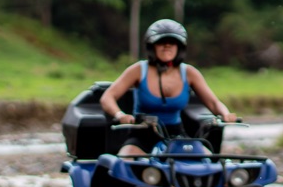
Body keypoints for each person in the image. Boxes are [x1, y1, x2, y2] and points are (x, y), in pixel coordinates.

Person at [98, 19, 236, 155]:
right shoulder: (138, 70)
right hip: (142, 134)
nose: (167, 46)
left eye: (172, 43)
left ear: (179, 47)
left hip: (176, 135)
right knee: (125, 161)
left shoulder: (190, 73)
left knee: (207, 160)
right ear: (152, 46)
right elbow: (107, 97)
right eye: (161, 42)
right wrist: (120, 115)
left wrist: (225, 114)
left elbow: (213, 102)